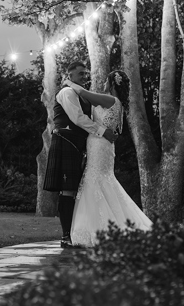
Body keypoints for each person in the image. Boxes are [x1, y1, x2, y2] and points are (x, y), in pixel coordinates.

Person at [64, 70, 184, 249]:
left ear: (112, 84)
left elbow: (84, 94)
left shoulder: (110, 100)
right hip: (102, 145)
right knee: (101, 181)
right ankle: (98, 228)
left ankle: (98, 230)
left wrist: (68, 83)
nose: (103, 84)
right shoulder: (115, 102)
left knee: (97, 180)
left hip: (100, 145)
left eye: (107, 81)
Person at [43, 61, 118, 248]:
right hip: (66, 141)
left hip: (77, 144)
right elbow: (77, 118)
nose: (85, 76)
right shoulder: (67, 92)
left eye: (86, 73)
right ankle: (66, 236)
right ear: (70, 75)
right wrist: (102, 131)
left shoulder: (80, 93)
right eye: (80, 74)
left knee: (75, 189)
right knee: (67, 189)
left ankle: (75, 233)